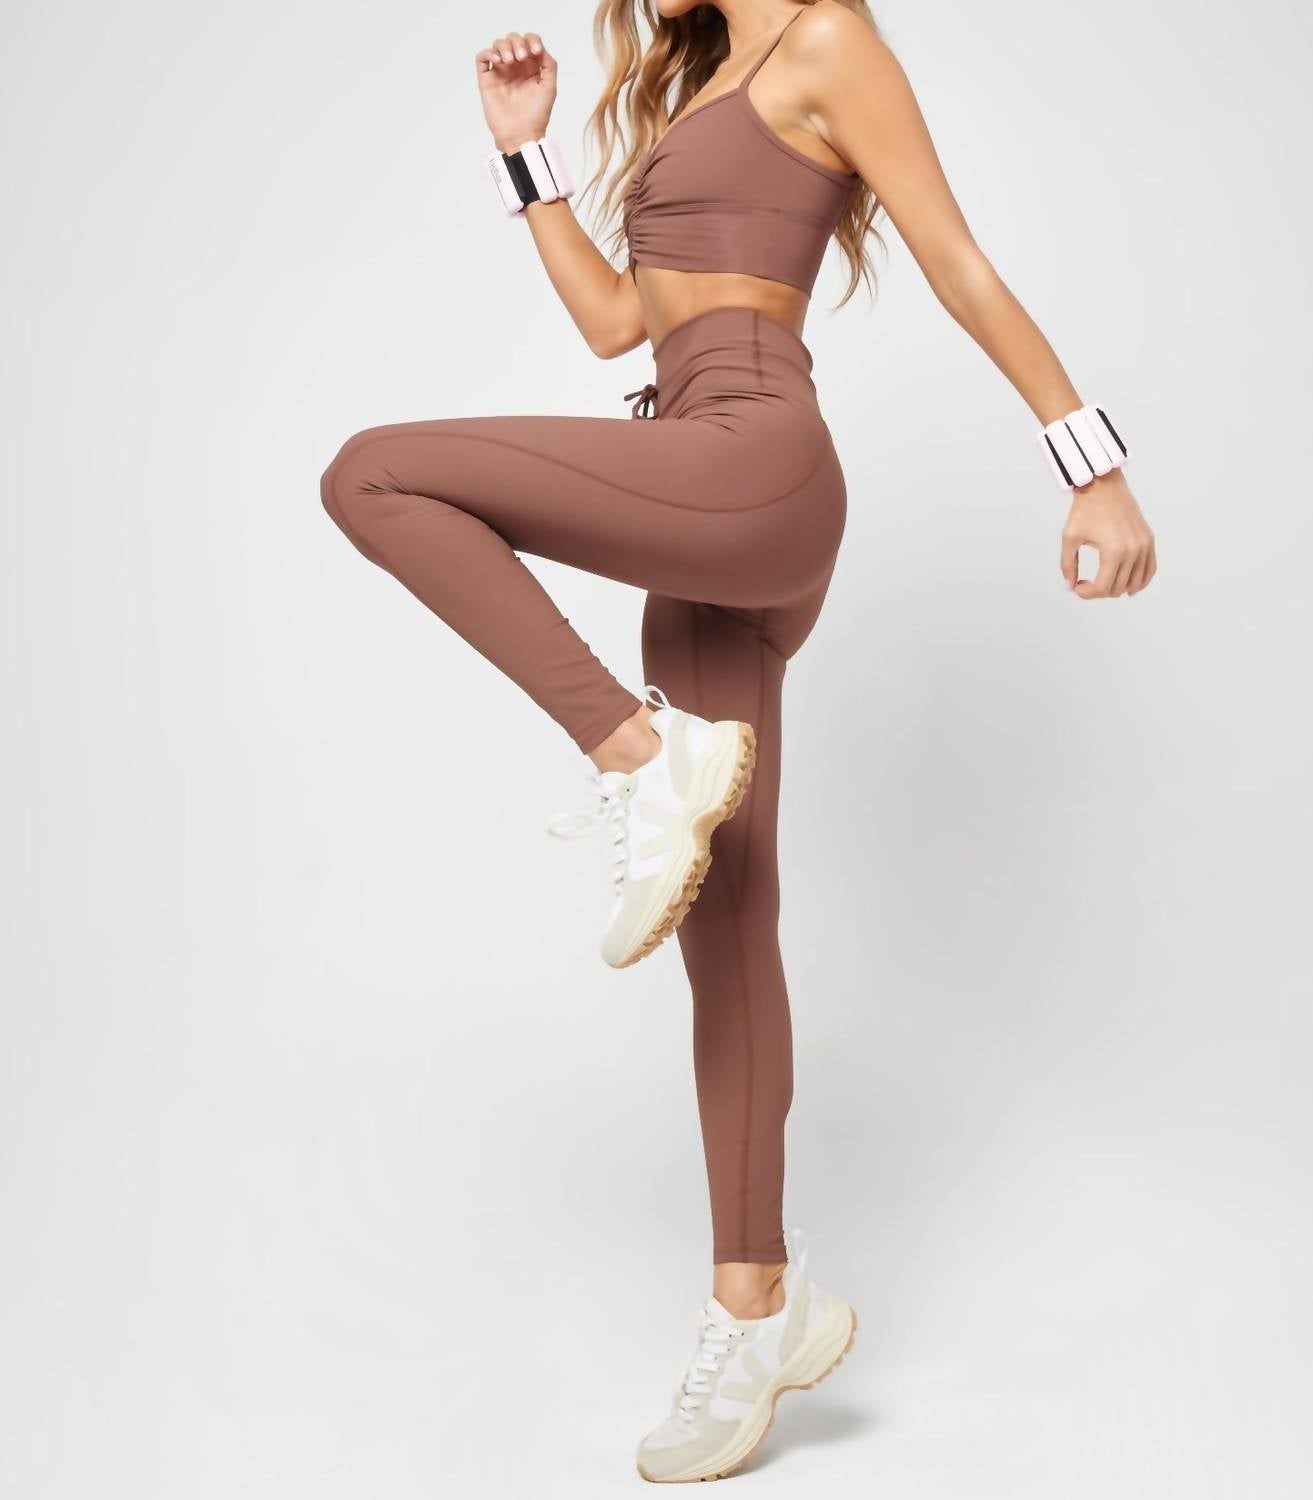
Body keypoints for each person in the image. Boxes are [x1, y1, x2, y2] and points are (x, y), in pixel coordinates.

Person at [320, 0, 1156, 1482]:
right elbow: (617, 326)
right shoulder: (702, 80)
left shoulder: (825, 42)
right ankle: (758, 1309)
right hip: (697, 483)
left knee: (373, 475)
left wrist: (1090, 469)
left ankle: (639, 759)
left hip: (755, 462)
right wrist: (527, 160)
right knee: (726, 919)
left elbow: (958, 262)